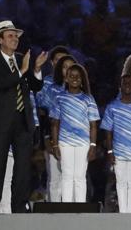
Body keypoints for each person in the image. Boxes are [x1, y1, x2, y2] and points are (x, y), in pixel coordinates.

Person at [0, 20, 46, 213]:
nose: (15, 38)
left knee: (23, 168)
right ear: (0, 40)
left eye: (16, 35)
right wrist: (24, 70)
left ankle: (19, 207)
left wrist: (36, 69)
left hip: (22, 120)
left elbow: (35, 87)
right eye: (10, 35)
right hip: (0, 122)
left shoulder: (21, 59)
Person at [50, 63, 99, 202]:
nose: (75, 79)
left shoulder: (88, 99)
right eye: (71, 76)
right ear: (66, 79)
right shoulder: (60, 98)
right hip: (65, 142)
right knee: (67, 175)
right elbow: (55, 123)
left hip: (83, 143)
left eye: (78, 76)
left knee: (79, 176)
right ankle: (66, 208)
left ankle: (80, 208)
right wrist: (55, 145)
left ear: (82, 79)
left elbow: (93, 125)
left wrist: (93, 145)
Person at [101, 74, 131, 213]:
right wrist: (110, 151)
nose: (127, 85)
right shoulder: (112, 107)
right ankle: (123, 213)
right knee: (121, 184)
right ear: (120, 86)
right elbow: (108, 131)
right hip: (118, 153)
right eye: (124, 83)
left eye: (130, 83)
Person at [36, 46, 71, 202]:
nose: (62, 64)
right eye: (58, 60)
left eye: (65, 61)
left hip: (74, 138)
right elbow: (40, 107)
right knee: (54, 177)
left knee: (72, 177)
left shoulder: (78, 82)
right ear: (51, 62)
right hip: (52, 134)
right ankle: (54, 215)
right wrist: (47, 137)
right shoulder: (47, 84)